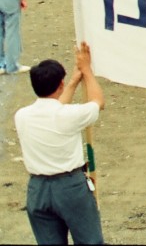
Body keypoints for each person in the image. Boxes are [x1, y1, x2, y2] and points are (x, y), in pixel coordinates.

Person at [14, 43, 105, 244]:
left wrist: (72, 82)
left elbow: (54, 107)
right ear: (59, 85)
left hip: (37, 190)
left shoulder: (22, 116)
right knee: (90, 242)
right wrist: (87, 71)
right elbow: (98, 101)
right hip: (70, 187)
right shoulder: (68, 116)